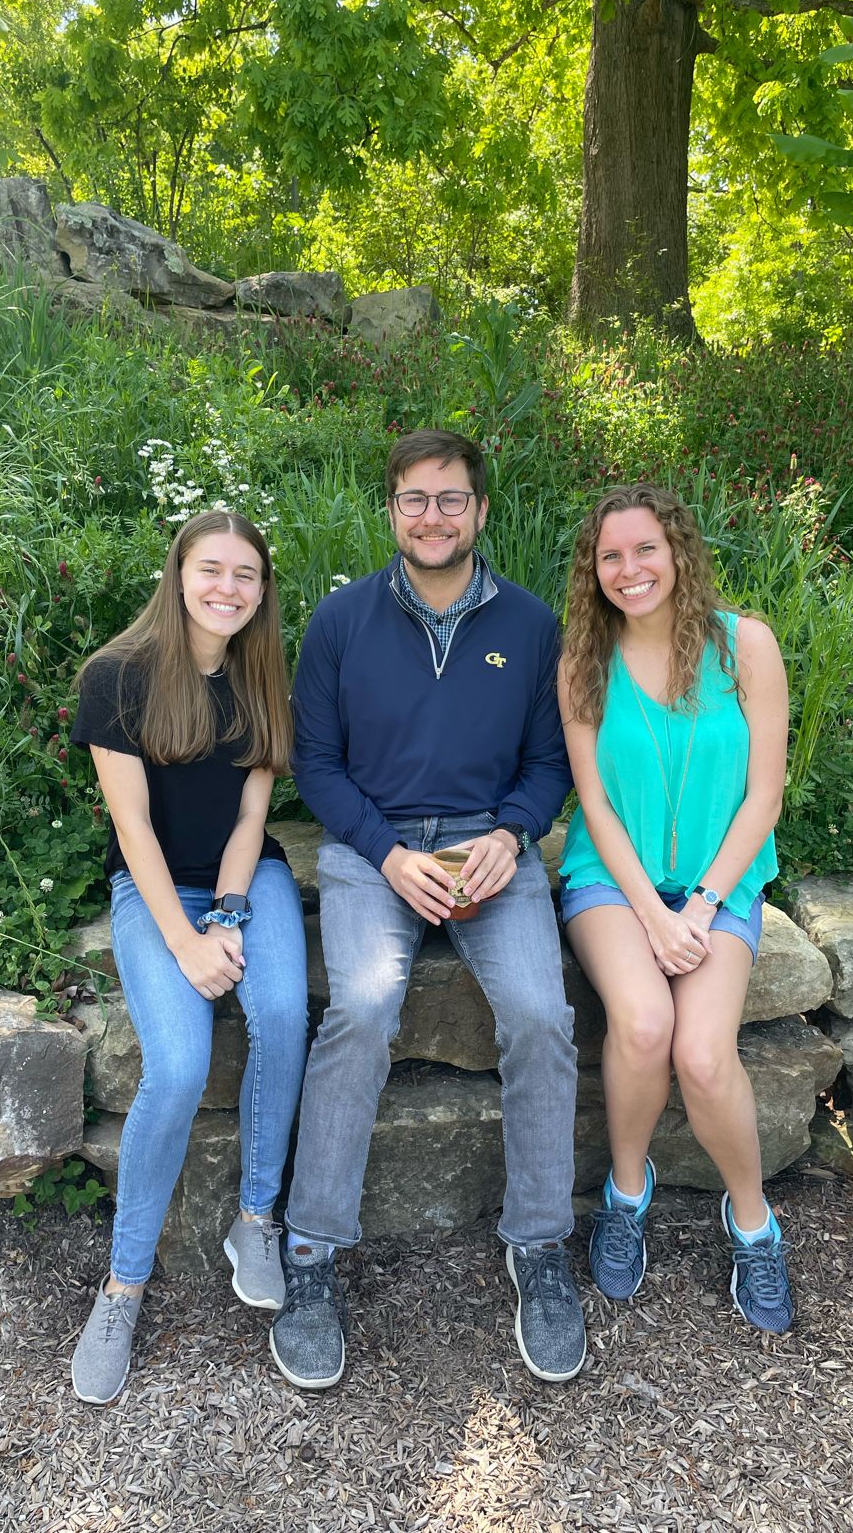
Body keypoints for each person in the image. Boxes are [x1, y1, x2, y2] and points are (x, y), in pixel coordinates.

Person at [271, 428, 585, 1389]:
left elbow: (553, 760)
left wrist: (515, 834)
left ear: (481, 512)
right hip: (377, 849)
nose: (434, 516)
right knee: (361, 1007)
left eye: (451, 499)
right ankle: (315, 1254)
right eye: (415, 498)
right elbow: (315, 764)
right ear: (393, 509)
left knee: (541, 1015)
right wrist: (388, 853)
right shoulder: (341, 622)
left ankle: (538, 1244)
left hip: (493, 846)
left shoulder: (532, 627)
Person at [68, 510, 309, 1404]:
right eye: (213, 568)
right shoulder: (117, 678)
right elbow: (133, 827)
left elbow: (253, 819)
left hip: (250, 883)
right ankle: (123, 1287)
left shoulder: (259, 679)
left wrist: (234, 915)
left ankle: (256, 1219)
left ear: (262, 590)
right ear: (178, 573)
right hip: (153, 889)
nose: (229, 588)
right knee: (177, 1066)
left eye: (248, 574)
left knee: (284, 1014)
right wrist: (186, 938)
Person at [557, 483, 793, 1333]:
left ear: (678, 551)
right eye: (610, 556)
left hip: (720, 883)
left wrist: (698, 906)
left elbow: (763, 797)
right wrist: (655, 918)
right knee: (645, 1025)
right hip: (611, 884)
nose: (629, 570)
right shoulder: (583, 661)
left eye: (644, 550)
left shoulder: (746, 647)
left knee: (700, 1052)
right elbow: (594, 803)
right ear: (594, 571)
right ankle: (627, 1196)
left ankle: (754, 1224)